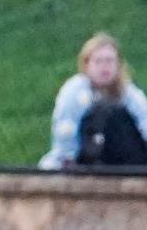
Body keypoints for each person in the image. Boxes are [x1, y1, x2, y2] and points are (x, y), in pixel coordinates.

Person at [39, 33, 147, 170]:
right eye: (98, 61)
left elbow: (144, 121)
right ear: (86, 65)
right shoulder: (74, 92)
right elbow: (66, 131)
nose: (104, 67)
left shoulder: (129, 92)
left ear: (118, 65)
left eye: (109, 61)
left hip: (128, 159)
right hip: (88, 160)